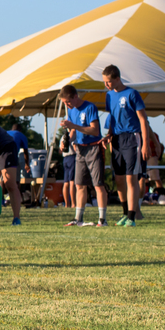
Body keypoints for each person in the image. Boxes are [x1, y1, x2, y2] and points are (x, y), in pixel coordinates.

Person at [102, 64, 154, 227]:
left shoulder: (132, 94)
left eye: (108, 82)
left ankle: (132, 216)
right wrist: (109, 135)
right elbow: (112, 118)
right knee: (119, 179)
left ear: (117, 78)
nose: (106, 85)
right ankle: (125, 213)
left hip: (132, 138)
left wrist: (145, 144)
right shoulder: (109, 96)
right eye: (104, 82)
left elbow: (143, 119)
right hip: (117, 140)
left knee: (131, 178)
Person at [59, 84, 110, 226]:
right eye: (64, 103)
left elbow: (94, 131)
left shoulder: (90, 107)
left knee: (98, 184)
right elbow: (73, 132)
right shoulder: (71, 111)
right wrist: (67, 141)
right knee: (79, 184)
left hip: (94, 148)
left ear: (75, 96)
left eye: (68, 102)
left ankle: (102, 219)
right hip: (79, 150)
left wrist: (74, 126)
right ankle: (78, 218)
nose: (67, 105)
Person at [59, 130, 77, 211]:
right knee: (72, 182)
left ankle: (67, 204)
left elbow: (60, 150)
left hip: (65, 158)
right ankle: (73, 203)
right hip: (72, 157)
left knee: (66, 183)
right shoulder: (73, 136)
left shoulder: (63, 137)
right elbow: (75, 147)